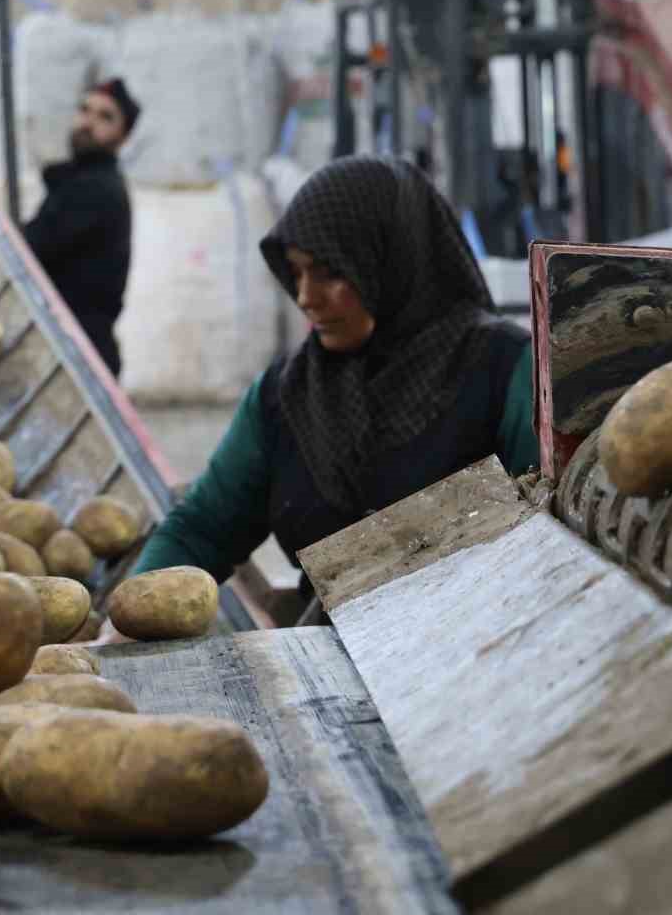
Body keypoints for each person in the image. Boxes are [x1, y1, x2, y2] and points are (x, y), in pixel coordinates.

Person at [131, 155, 538, 592]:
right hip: (329, 654)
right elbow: (201, 531)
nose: (306, 296)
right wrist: (129, 614)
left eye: (328, 273)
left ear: (392, 259)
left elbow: (546, 535)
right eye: (297, 272)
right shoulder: (287, 396)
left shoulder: (504, 371)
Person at [24, 78, 139, 376]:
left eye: (105, 117)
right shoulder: (78, 181)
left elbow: (30, 250)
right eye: (86, 110)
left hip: (81, 352)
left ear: (123, 136)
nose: (89, 122)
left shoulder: (96, 190)